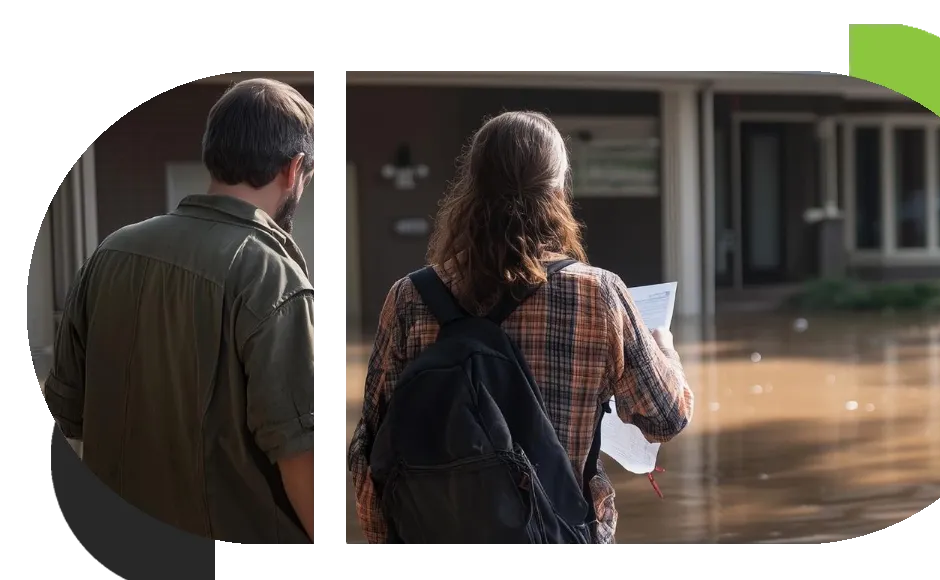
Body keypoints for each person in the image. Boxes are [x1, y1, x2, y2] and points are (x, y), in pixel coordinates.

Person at [348, 110, 694, 544]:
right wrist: (667, 354)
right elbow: (666, 418)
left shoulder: (409, 297)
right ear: (556, 189)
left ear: (471, 187)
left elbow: (370, 452)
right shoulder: (599, 294)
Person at [45, 78, 319, 543]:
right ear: (294, 170)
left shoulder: (111, 252)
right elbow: (300, 458)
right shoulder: (270, 274)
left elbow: (69, 414)